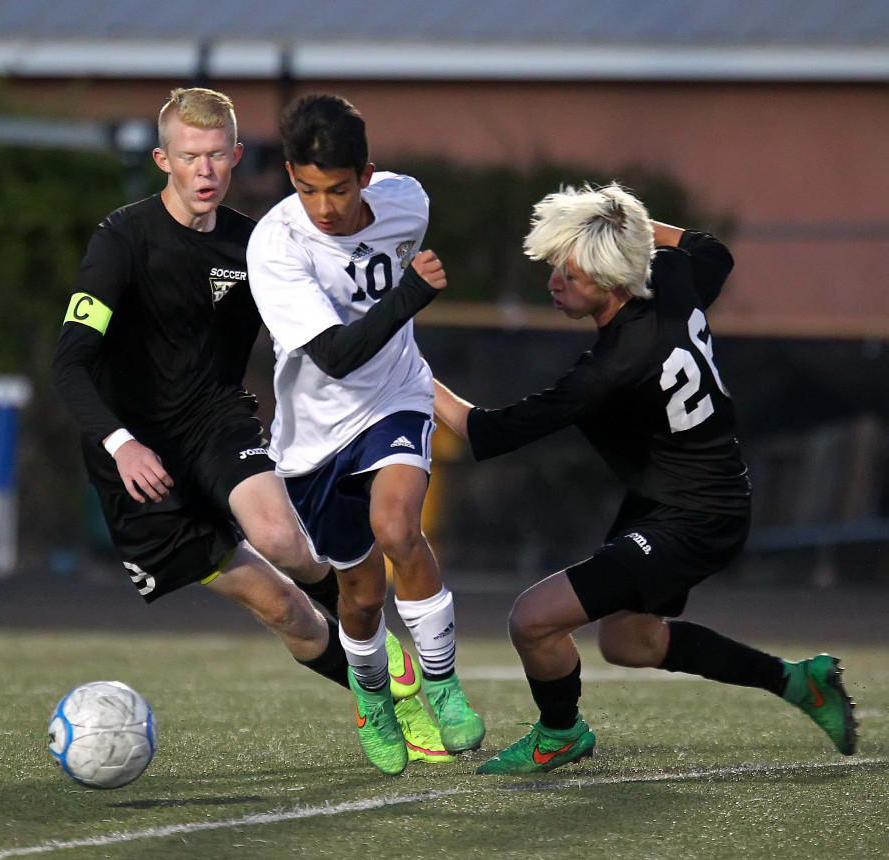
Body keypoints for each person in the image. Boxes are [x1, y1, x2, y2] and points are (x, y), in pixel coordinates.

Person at [433, 183, 857, 775]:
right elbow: (712, 251)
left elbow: (483, 433)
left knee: (533, 620)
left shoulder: (614, 367)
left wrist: (406, 371)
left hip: (696, 516)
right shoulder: (671, 284)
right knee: (629, 643)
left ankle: (560, 733)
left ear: (612, 281)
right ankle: (797, 682)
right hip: (677, 498)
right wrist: (626, 222)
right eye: (557, 265)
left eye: (572, 273)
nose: (555, 281)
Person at [50, 87, 384, 721]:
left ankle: (397, 673)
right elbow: (67, 366)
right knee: (286, 610)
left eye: (215, 156)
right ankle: (379, 702)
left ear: (235, 156)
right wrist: (120, 444)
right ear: (161, 160)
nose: (203, 171)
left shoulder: (257, 247)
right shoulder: (121, 241)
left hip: (216, 425)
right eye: (188, 156)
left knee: (285, 541)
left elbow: (321, 337)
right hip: (139, 464)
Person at [246, 93, 485, 775]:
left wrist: (405, 309)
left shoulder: (409, 202)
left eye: (339, 189)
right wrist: (410, 296)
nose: (324, 206)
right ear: (291, 175)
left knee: (398, 530)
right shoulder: (277, 244)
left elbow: (375, 350)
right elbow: (335, 356)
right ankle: (373, 697)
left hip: (395, 399)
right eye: (306, 188)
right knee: (359, 595)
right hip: (313, 437)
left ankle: (441, 683)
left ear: (367, 173)